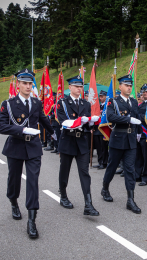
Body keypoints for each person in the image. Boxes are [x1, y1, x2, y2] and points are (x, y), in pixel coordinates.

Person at [0, 69, 56, 239]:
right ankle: (13, 201)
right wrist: (21, 129)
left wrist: (55, 134)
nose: (28, 86)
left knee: (33, 181)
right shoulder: (8, 104)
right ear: (18, 85)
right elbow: (1, 127)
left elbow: (44, 120)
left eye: (30, 83)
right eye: (24, 83)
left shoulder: (36, 103)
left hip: (33, 147)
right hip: (15, 146)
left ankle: (31, 220)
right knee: (14, 179)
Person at [56, 75, 99, 216]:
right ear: (70, 88)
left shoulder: (86, 104)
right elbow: (64, 122)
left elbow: (87, 126)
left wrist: (91, 124)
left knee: (84, 173)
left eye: (81, 86)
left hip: (82, 142)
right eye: (76, 86)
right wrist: (81, 120)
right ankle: (63, 195)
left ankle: (88, 204)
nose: (79, 89)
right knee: (65, 170)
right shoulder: (62, 103)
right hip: (68, 141)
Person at [101, 74, 142, 214]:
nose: (129, 87)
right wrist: (128, 119)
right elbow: (110, 117)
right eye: (126, 85)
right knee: (112, 167)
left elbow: (137, 118)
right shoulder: (114, 101)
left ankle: (130, 200)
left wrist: (138, 131)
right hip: (118, 138)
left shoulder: (134, 102)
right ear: (120, 87)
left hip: (131, 139)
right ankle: (105, 188)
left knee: (130, 169)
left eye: (130, 85)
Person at [135, 84, 147, 186]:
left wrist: (137, 117)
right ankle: (137, 175)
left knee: (146, 157)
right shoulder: (140, 105)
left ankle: (146, 177)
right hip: (138, 134)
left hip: (146, 134)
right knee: (138, 156)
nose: (145, 93)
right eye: (143, 92)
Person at [93, 90, 108, 170]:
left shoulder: (107, 106)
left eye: (102, 96)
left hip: (103, 130)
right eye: (100, 96)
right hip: (97, 129)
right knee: (98, 148)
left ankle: (104, 162)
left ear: (106, 97)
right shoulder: (98, 106)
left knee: (103, 148)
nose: (100, 98)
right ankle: (100, 162)